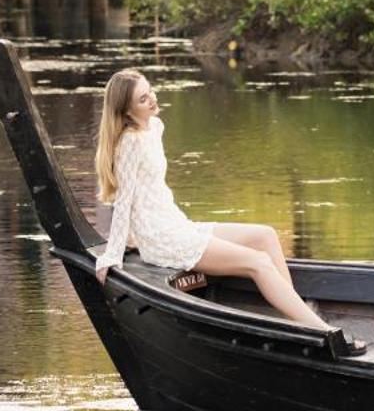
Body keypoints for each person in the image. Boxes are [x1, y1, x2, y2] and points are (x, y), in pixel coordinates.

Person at [91, 69, 333, 333]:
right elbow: (124, 202)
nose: (152, 99)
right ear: (126, 111)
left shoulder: (155, 127)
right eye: (142, 99)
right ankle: (320, 331)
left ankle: (294, 317)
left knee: (266, 236)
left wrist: (132, 238)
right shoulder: (130, 143)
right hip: (161, 237)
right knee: (258, 262)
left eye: (149, 91)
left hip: (176, 224)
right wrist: (112, 255)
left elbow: (150, 191)